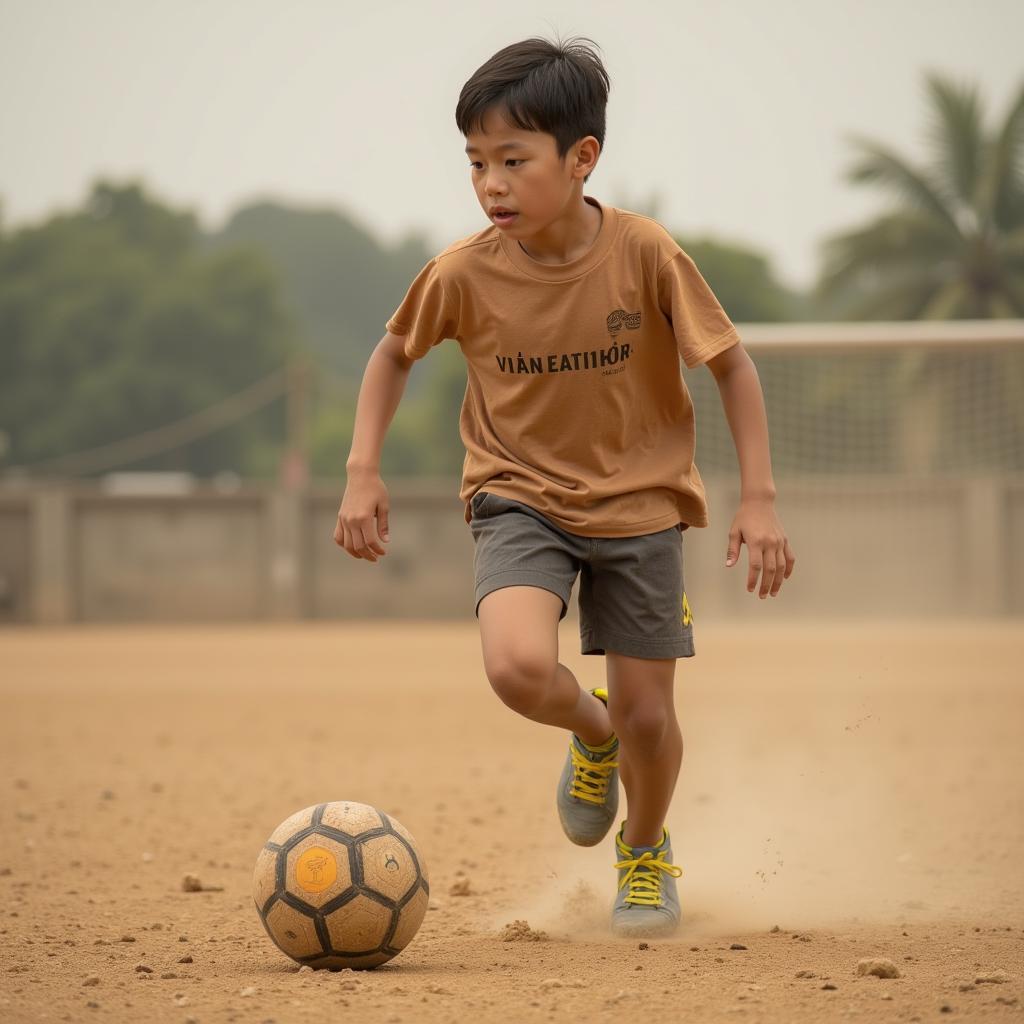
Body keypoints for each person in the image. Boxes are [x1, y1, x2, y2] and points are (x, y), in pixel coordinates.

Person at [334, 35, 795, 938]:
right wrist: (361, 471)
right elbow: (393, 352)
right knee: (515, 667)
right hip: (519, 496)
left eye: (513, 160)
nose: (491, 184)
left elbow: (733, 366)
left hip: (643, 507)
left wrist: (761, 497)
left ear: (582, 158)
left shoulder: (646, 253)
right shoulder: (464, 271)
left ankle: (646, 847)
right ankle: (593, 737)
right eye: (475, 163)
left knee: (652, 717)